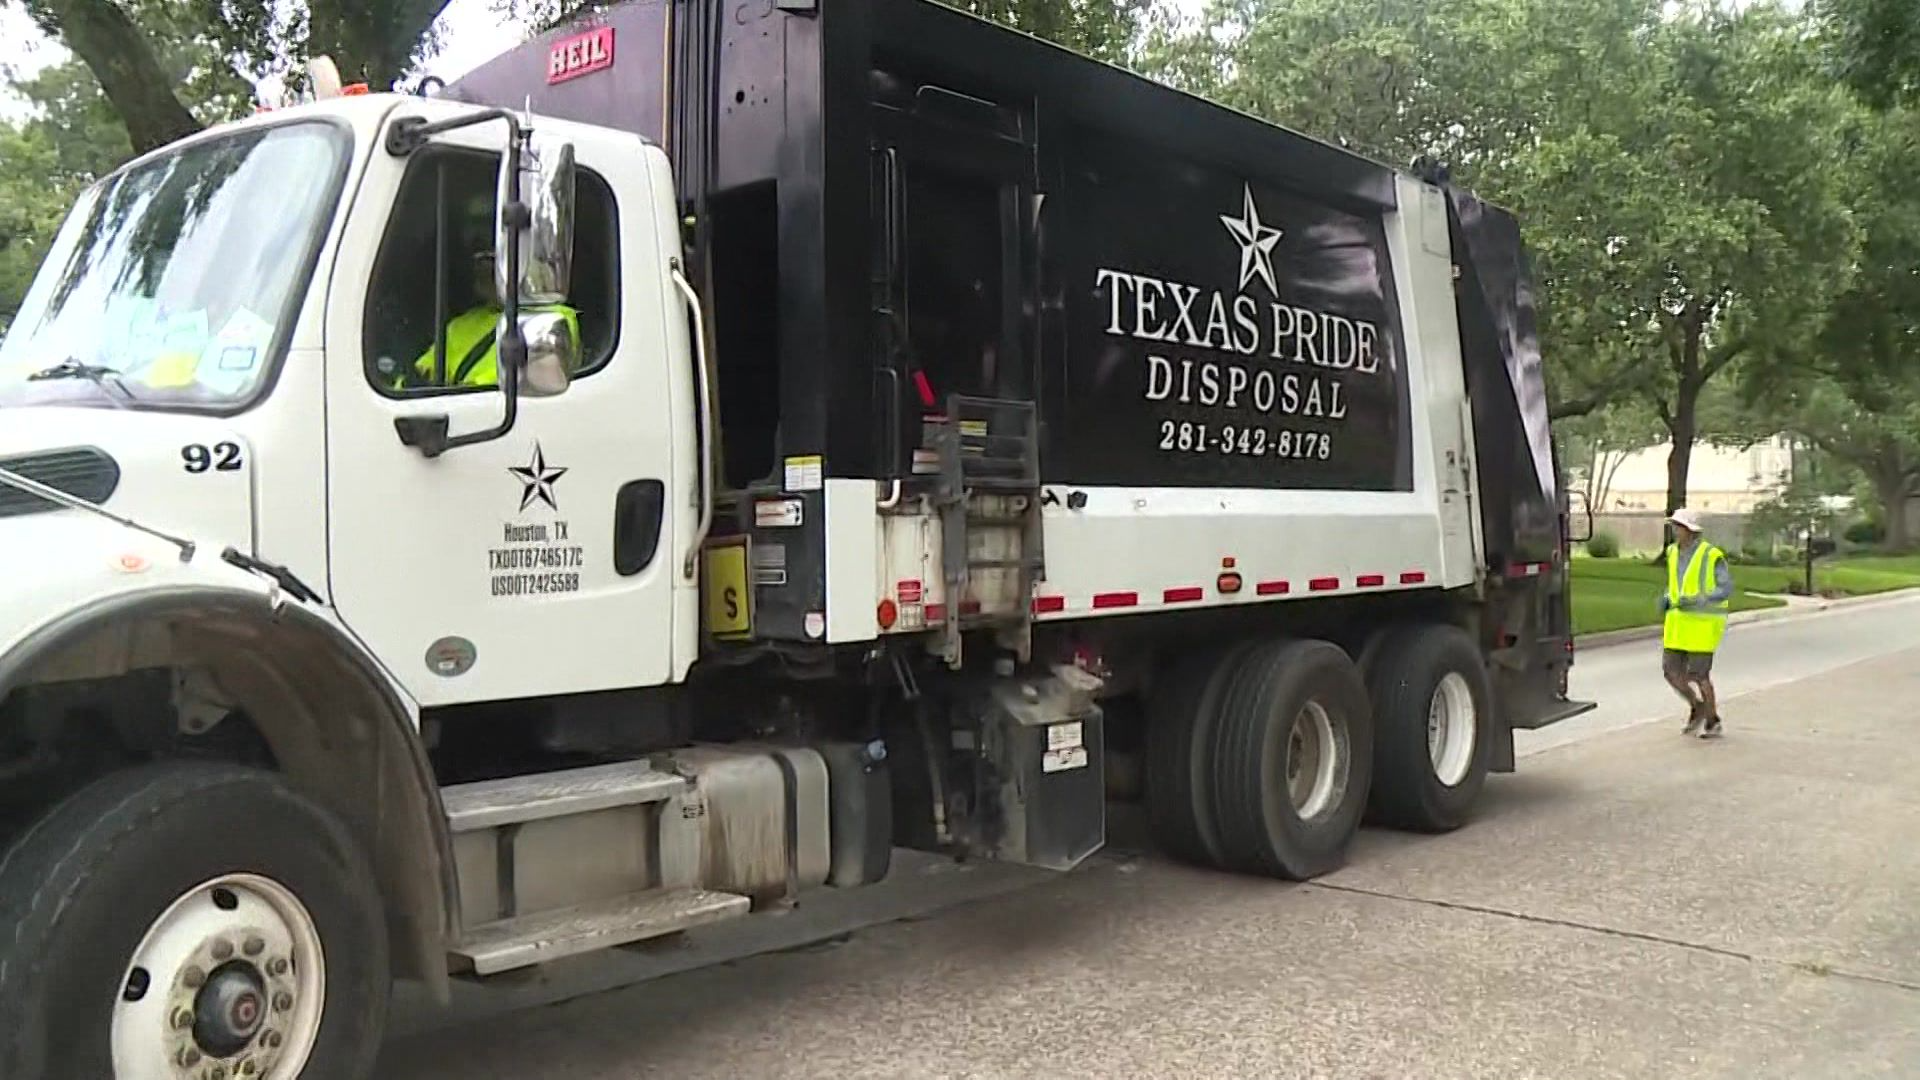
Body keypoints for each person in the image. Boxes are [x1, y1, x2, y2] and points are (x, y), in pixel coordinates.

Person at [398, 248, 579, 390]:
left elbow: (514, 384)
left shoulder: (552, 318)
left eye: (493, 257)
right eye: (478, 258)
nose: (483, 266)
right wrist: (410, 387)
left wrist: (462, 392)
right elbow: (423, 373)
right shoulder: (463, 323)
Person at [1659, 507, 1732, 738]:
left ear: (1690, 530)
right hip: (1678, 621)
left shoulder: (1711, 555)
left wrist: (1699, 599)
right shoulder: (1671, 552)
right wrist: (1668, 598)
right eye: (1674, 526)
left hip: (1703, 622)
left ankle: (1712, 721)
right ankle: (1697, 706)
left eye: (1679, 526)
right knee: (1671, 671)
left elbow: (1725, 588)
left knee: (1699, 675)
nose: (1675, 530)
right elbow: (1677, 583)